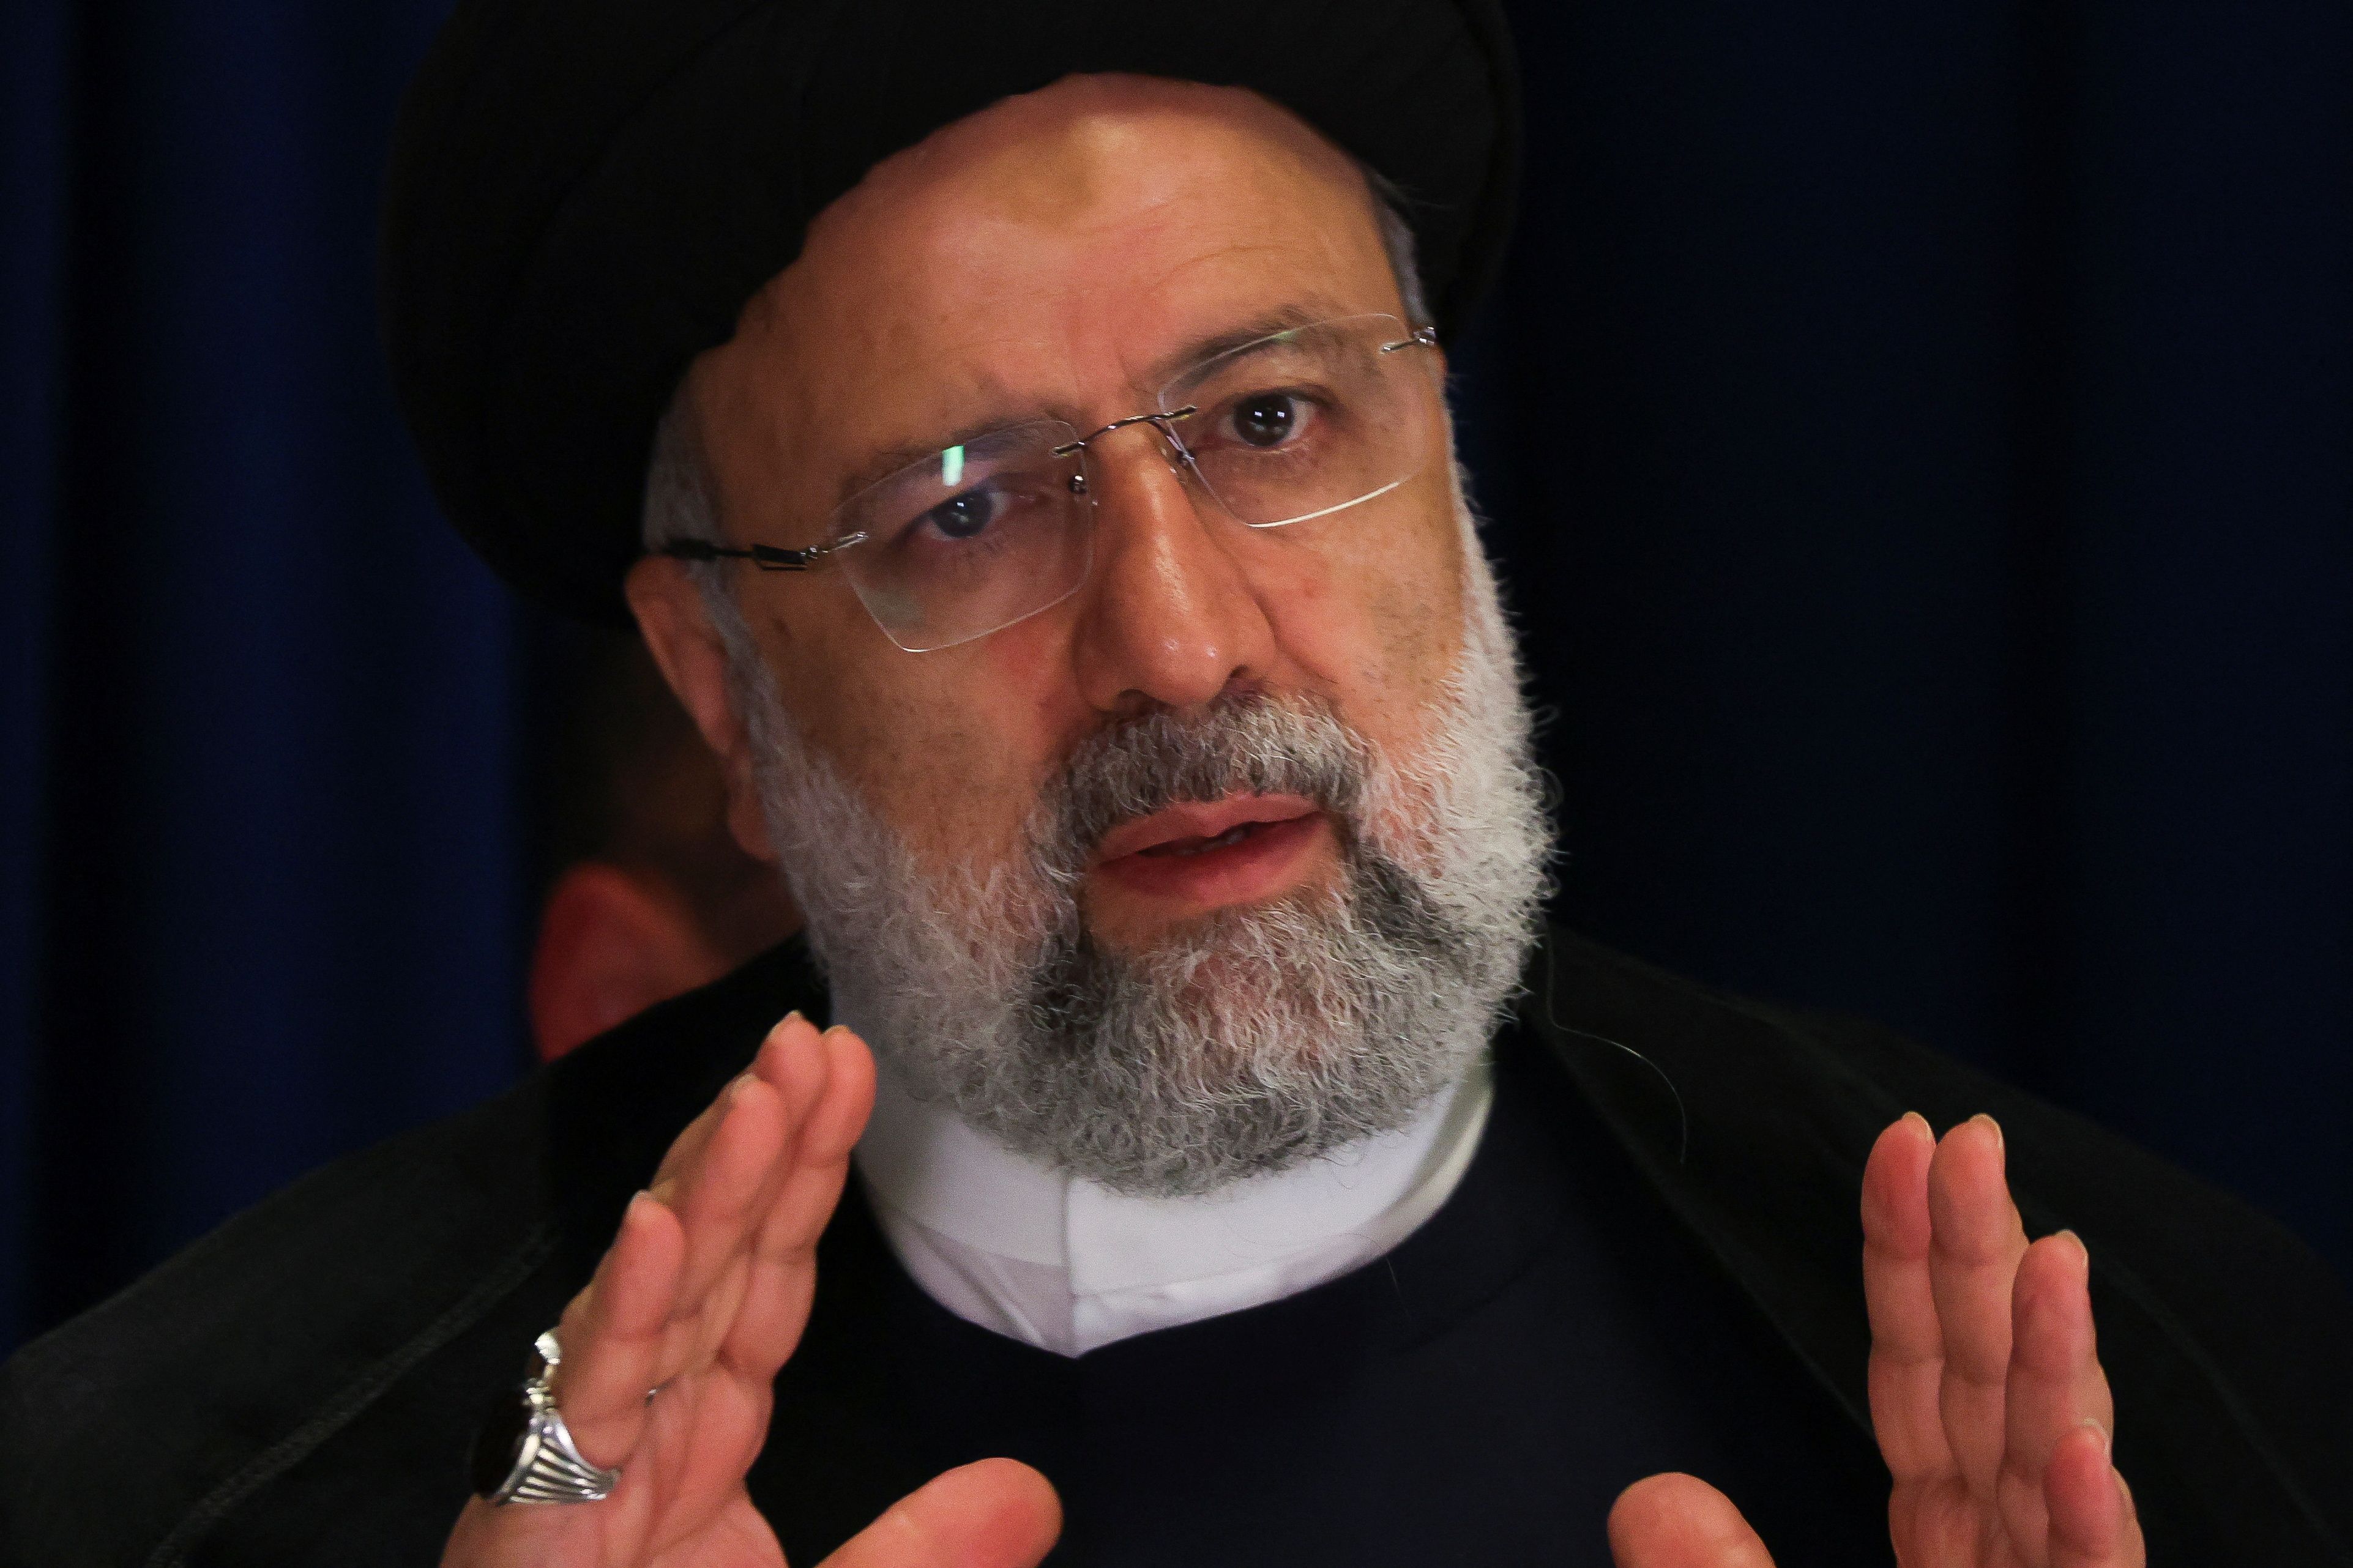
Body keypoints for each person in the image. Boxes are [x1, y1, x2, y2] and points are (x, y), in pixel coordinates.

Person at [4, 4, 2348, 1566]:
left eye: (1268, 421)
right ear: (718, 681)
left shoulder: (2156, 1393)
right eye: (963, 506)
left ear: (1446, 458)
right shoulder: (231, 1480)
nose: (1183, 639)